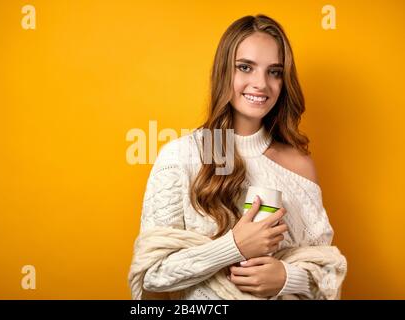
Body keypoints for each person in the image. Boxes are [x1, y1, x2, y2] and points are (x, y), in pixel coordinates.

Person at [128, 14, 346, 300]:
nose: (261, 84)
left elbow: (329, 274)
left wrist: (286, 278)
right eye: (245, 67)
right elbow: (151, 274)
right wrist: (235, 246)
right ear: (223, 72)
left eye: (275, 72)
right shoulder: (183, 156)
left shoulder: (299, 165)